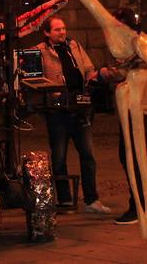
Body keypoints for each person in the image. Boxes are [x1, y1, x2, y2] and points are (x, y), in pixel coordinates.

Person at [32, 16, 112, 214]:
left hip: (79, 109)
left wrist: (92, 79)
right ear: (47, 32)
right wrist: (53, 93)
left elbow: (88, 68)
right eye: (57, 29)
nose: (62, 32)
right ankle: (65, 200)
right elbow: (34, 80)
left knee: (88, 154)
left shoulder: (74, 45)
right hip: (57, 112)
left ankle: (91, 199)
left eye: (63, 28)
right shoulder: (40, 51)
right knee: (59, 157)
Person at [110, 7, 147, 227]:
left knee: (134, 154)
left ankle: (141, 205)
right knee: (137, 154)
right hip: (139, 105)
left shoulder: (140, 42)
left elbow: (135, 70)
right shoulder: (136, 43)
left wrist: (107, 72)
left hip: (141, 106)